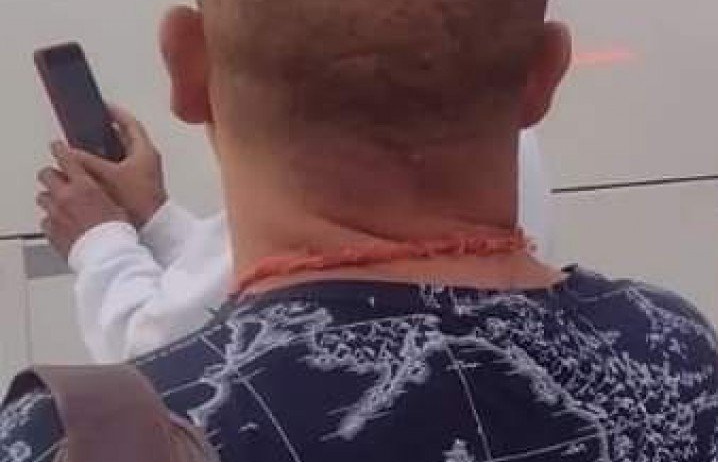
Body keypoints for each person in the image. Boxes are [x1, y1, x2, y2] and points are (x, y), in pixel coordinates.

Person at [0, 0, 718, 462]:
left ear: (187, 71)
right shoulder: (674, 353)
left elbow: (208, 329)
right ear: (542, 78)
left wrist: (107, 240)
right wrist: (156, 223)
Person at [38, 113, 554, 363]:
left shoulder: (329, 130)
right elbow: (265, 286)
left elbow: (163, 359)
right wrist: (156, 219)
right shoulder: (497, 123)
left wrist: (99, 241)